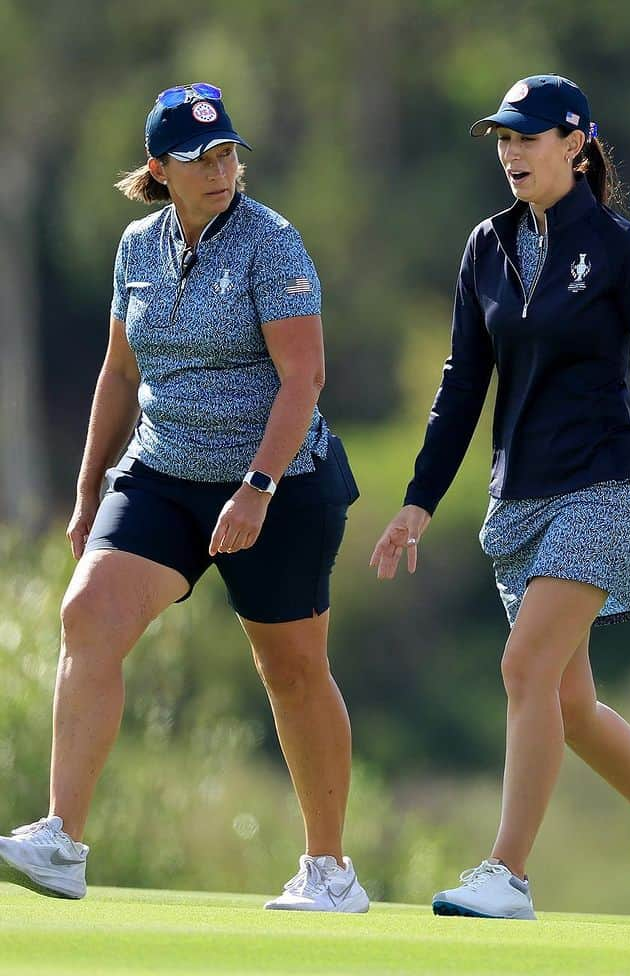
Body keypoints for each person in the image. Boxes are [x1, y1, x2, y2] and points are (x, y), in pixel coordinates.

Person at [370, 75, 630, 924]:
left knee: (523, 666)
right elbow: (461, 386)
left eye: (529, 138)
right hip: (518, 495)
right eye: (503, 139)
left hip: (605, 485)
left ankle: (506, 874)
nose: (512, 153)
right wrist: (418, 500)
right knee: (569, 703)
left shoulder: (620, 248)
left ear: (577, 145)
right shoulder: (485, 246)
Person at [0, 84, 366, 913]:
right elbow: (120, 372)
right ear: (159, 169)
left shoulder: (272, 243)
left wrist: (257, 488)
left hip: (280, 482)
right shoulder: (137, 246)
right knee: (86, 612)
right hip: (163, 474)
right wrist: (89, 486)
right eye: (201, 159)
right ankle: (61, 838)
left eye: (229, 153)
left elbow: (303, 376)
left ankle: (330, 871)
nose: (221, 171)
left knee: (293, 671)